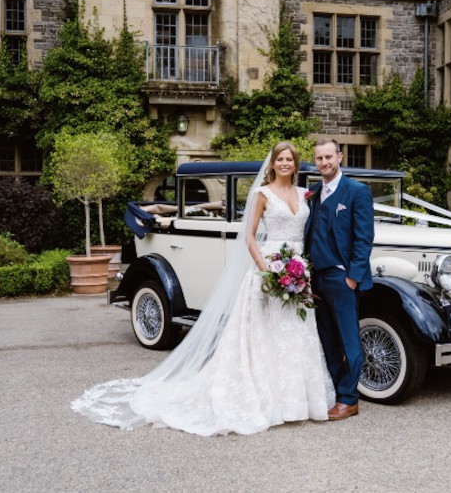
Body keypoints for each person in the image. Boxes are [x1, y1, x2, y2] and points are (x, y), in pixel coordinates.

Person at [71, 141, 335, 435]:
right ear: (273, 164)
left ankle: (296, 399)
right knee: (265, 332)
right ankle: (267, 396)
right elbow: (249, 236)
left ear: (296, 163)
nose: (285, 164)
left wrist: (301, 267)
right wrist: (265, 269)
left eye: (290, 159)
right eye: (280, 159)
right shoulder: (262, 194)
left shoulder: (304, 194)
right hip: (270, 265)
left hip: (298, 267)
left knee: (295, 332)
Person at [304, 137, 374, 421]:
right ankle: (336, 391)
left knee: (349, 341)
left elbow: (364, 238)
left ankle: (349, 399)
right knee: (327, 339)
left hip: (341, 278)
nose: (324, 162)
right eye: (319, 158)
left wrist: (353, 277)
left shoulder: (357, 191)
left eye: (328, 157)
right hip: (315, 278)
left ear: (339, 157)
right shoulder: (312, 192)